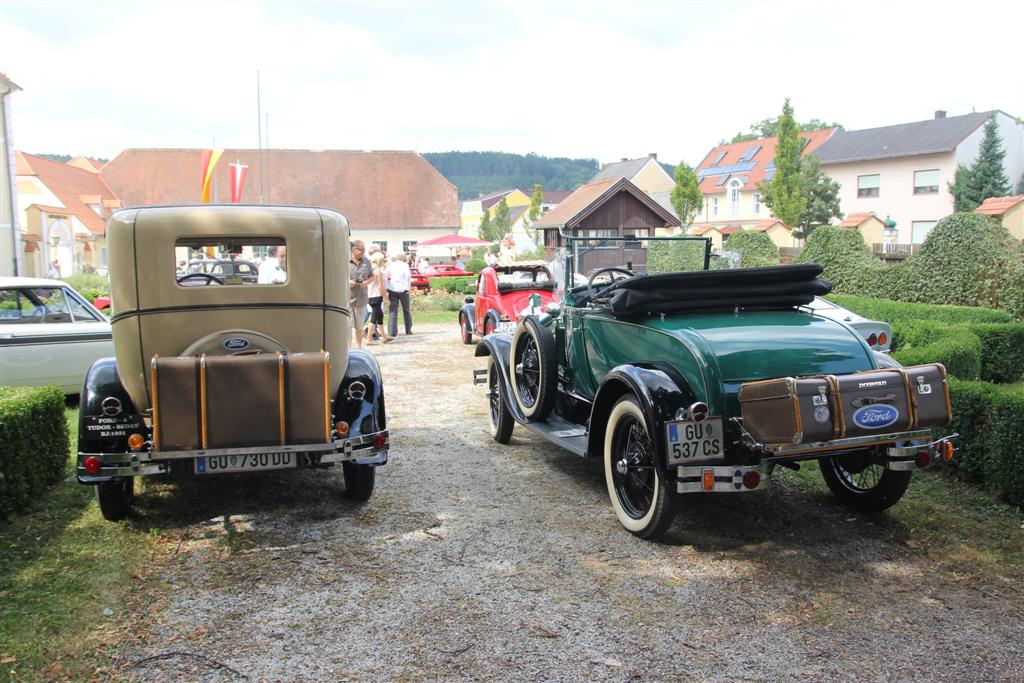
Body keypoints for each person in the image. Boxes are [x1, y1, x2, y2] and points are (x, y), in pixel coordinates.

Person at [365, 252, 393, 345]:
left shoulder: (369, 268)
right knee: (373, 318)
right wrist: (386, 297)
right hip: (376, 296)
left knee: (380, 316)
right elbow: (381, 286)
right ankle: (368, 339)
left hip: (370, 295)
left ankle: (384, 336)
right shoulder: (378, 271)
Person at [349, 240, 372, 349]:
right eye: (361, 250)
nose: (363, 252)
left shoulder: (366, 261)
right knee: (347, 326)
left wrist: (367, 282)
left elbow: (372, 276)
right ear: (353, 249)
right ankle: (347, 349)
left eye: (364, 250)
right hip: (347, 299)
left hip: (361, 298)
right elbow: (337, 276)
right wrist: (347, 282)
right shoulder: (345, 261)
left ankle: (358, 347)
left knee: (359, 325)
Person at [386, 252, 413, 337]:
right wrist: (408, 287)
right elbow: (408, 276)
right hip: (403, 289)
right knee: (406, 310)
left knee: (393, 311)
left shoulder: (391, 265)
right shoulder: (405, 265)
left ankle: (392, 331)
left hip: (393, 288)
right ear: (404, 257)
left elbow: (386, 275)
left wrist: (388, 285)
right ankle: (408, 330)